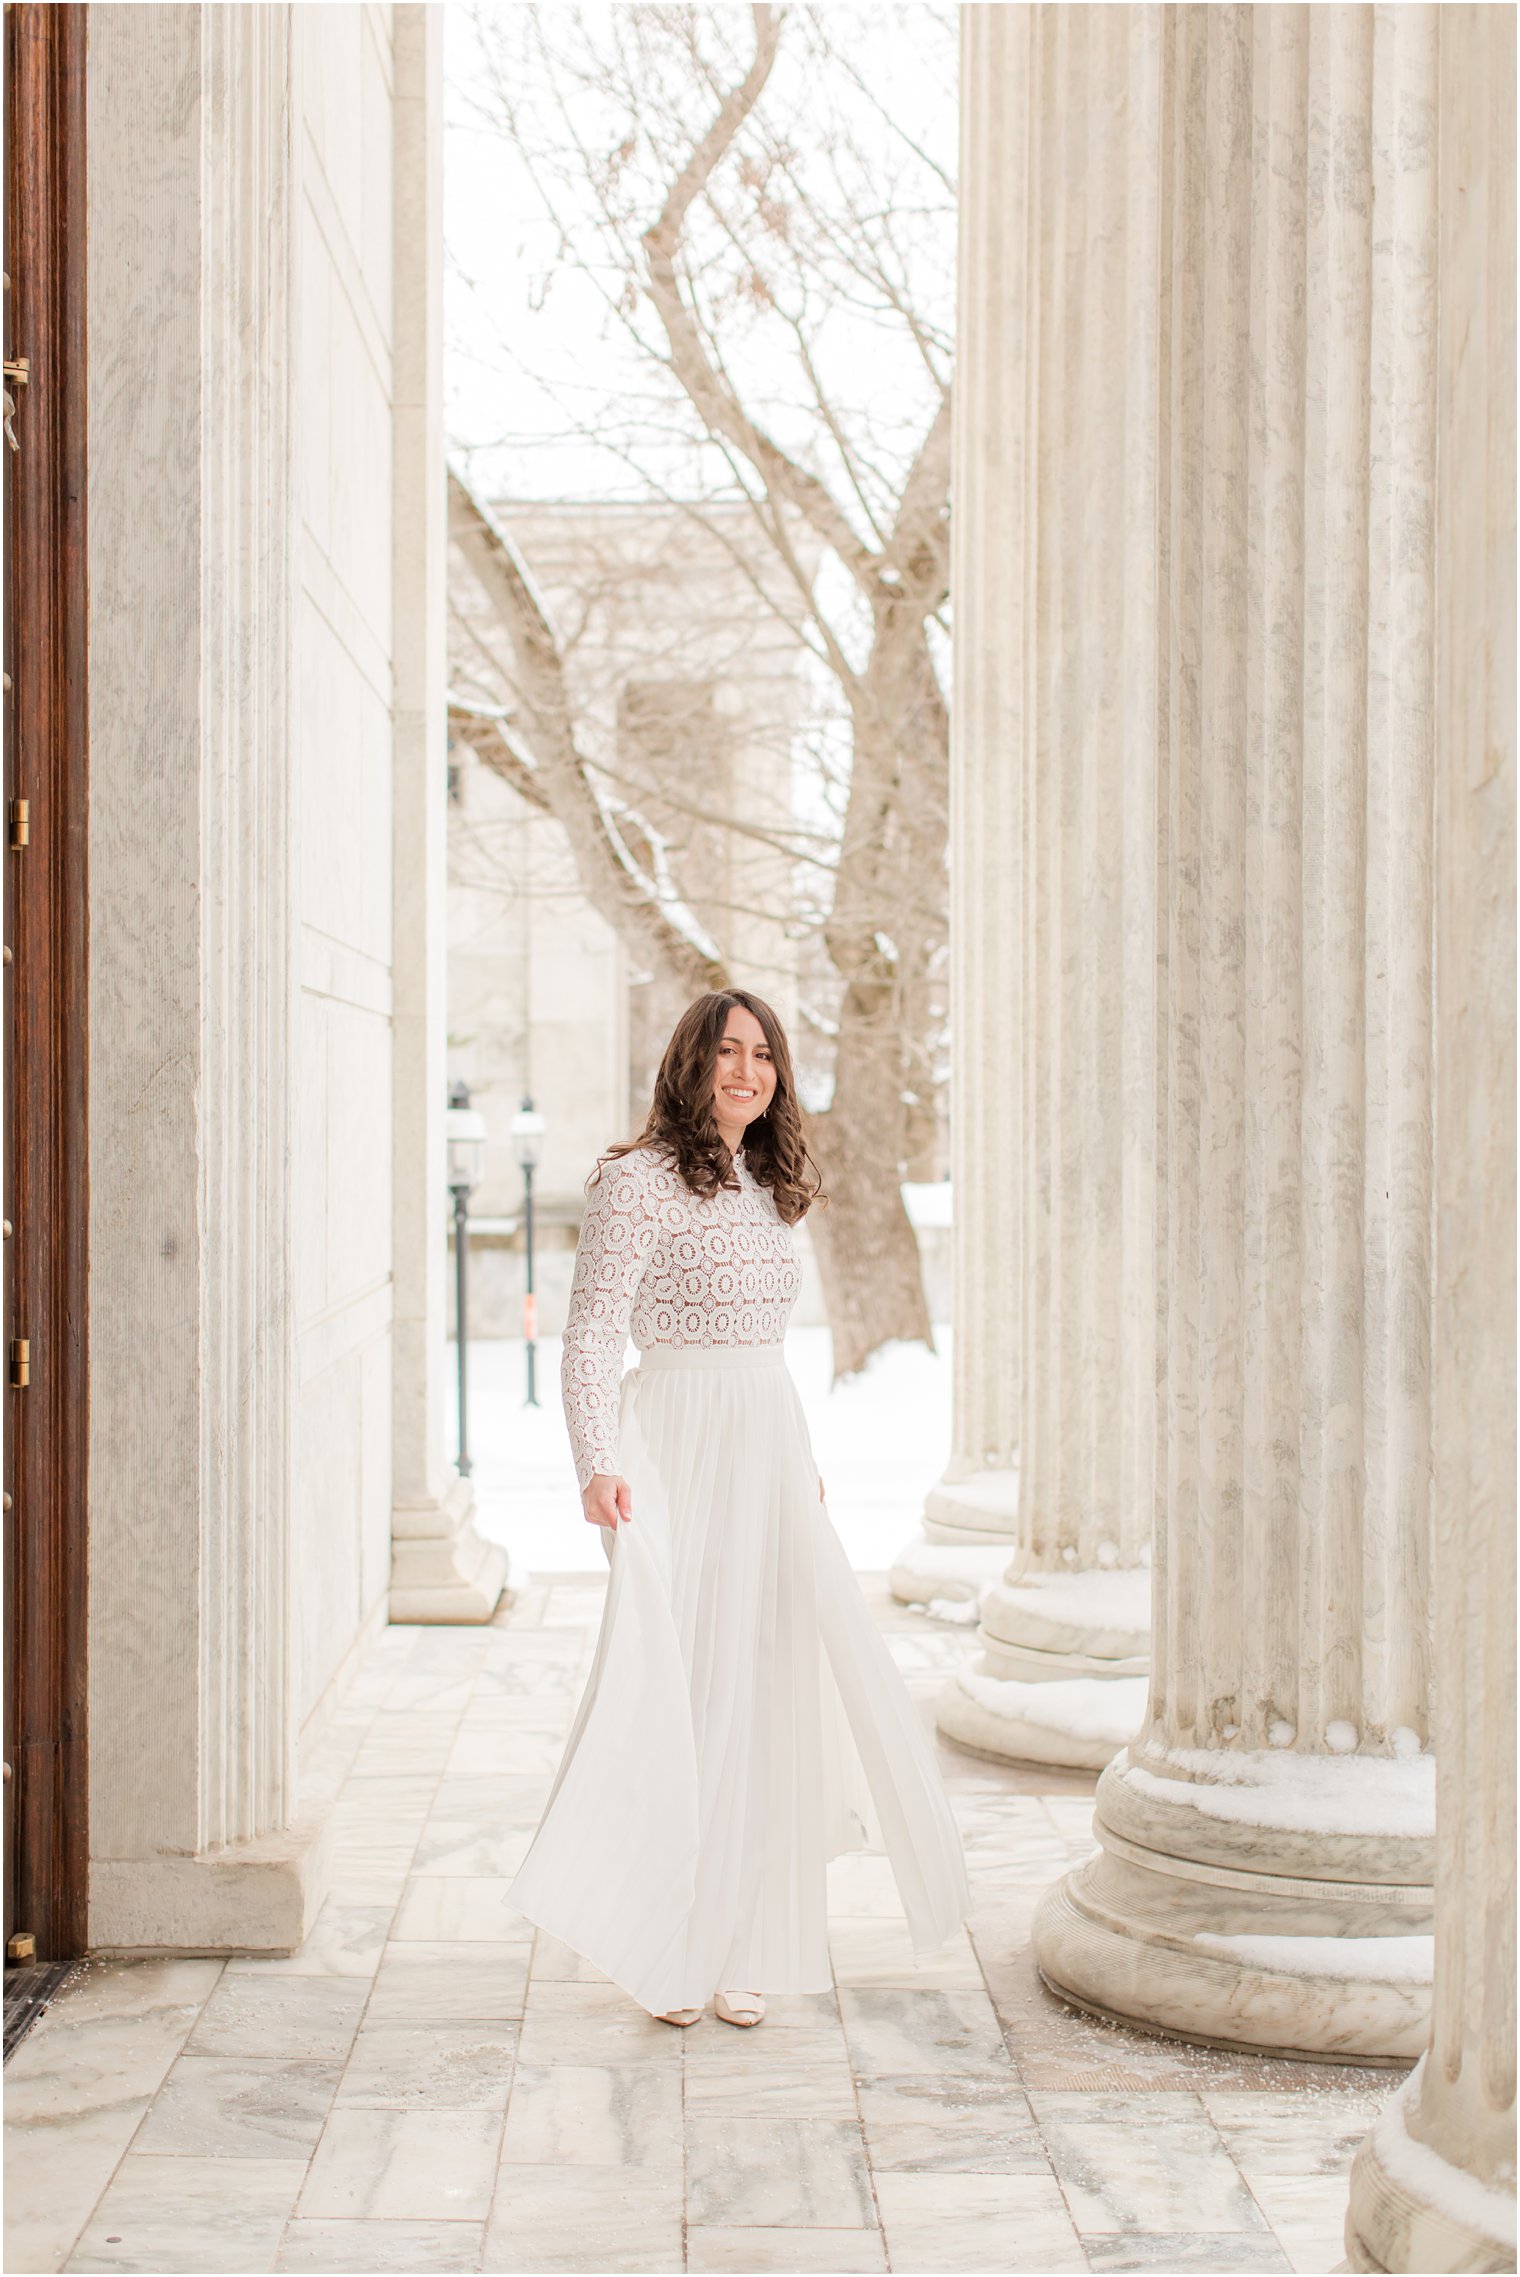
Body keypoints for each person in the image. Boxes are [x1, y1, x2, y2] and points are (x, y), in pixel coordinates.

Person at [504, 988, 970, 2026]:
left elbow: (768, 1351)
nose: (745, 1071)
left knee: (759, 1688)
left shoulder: (769, 1184)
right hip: (667, 1451)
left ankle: (740, 1938)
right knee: (677, 1688)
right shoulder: (635, 1184)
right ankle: (667, 1934)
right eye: (725, 1052)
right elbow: (588, 1337)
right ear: (688, 1062)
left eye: (763, 1054)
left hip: (763, 1450)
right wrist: (593, 1463)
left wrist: (795, 1458)